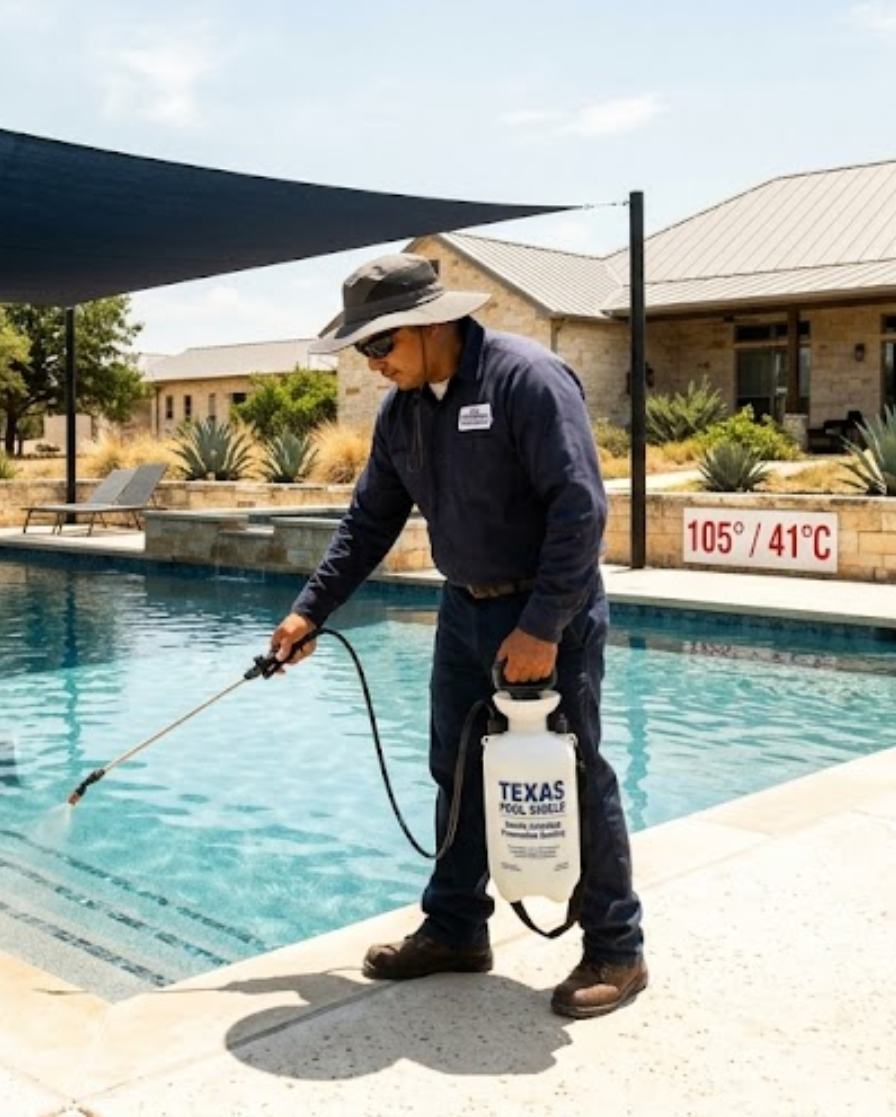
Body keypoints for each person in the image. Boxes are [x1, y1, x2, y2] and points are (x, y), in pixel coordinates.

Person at [266, 253, 645, 1020]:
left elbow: (581, 512)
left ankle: (617, 946)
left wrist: (542, 625)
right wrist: (312, 609)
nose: (373, 364)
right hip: (464, 612)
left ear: (432, 323)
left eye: (382, 346)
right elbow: (369, 520)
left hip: (549, 614)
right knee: (456, 769)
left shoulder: (526, 380)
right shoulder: (404, 411)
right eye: (364, 350)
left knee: (575, 774)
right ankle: (456, 928)